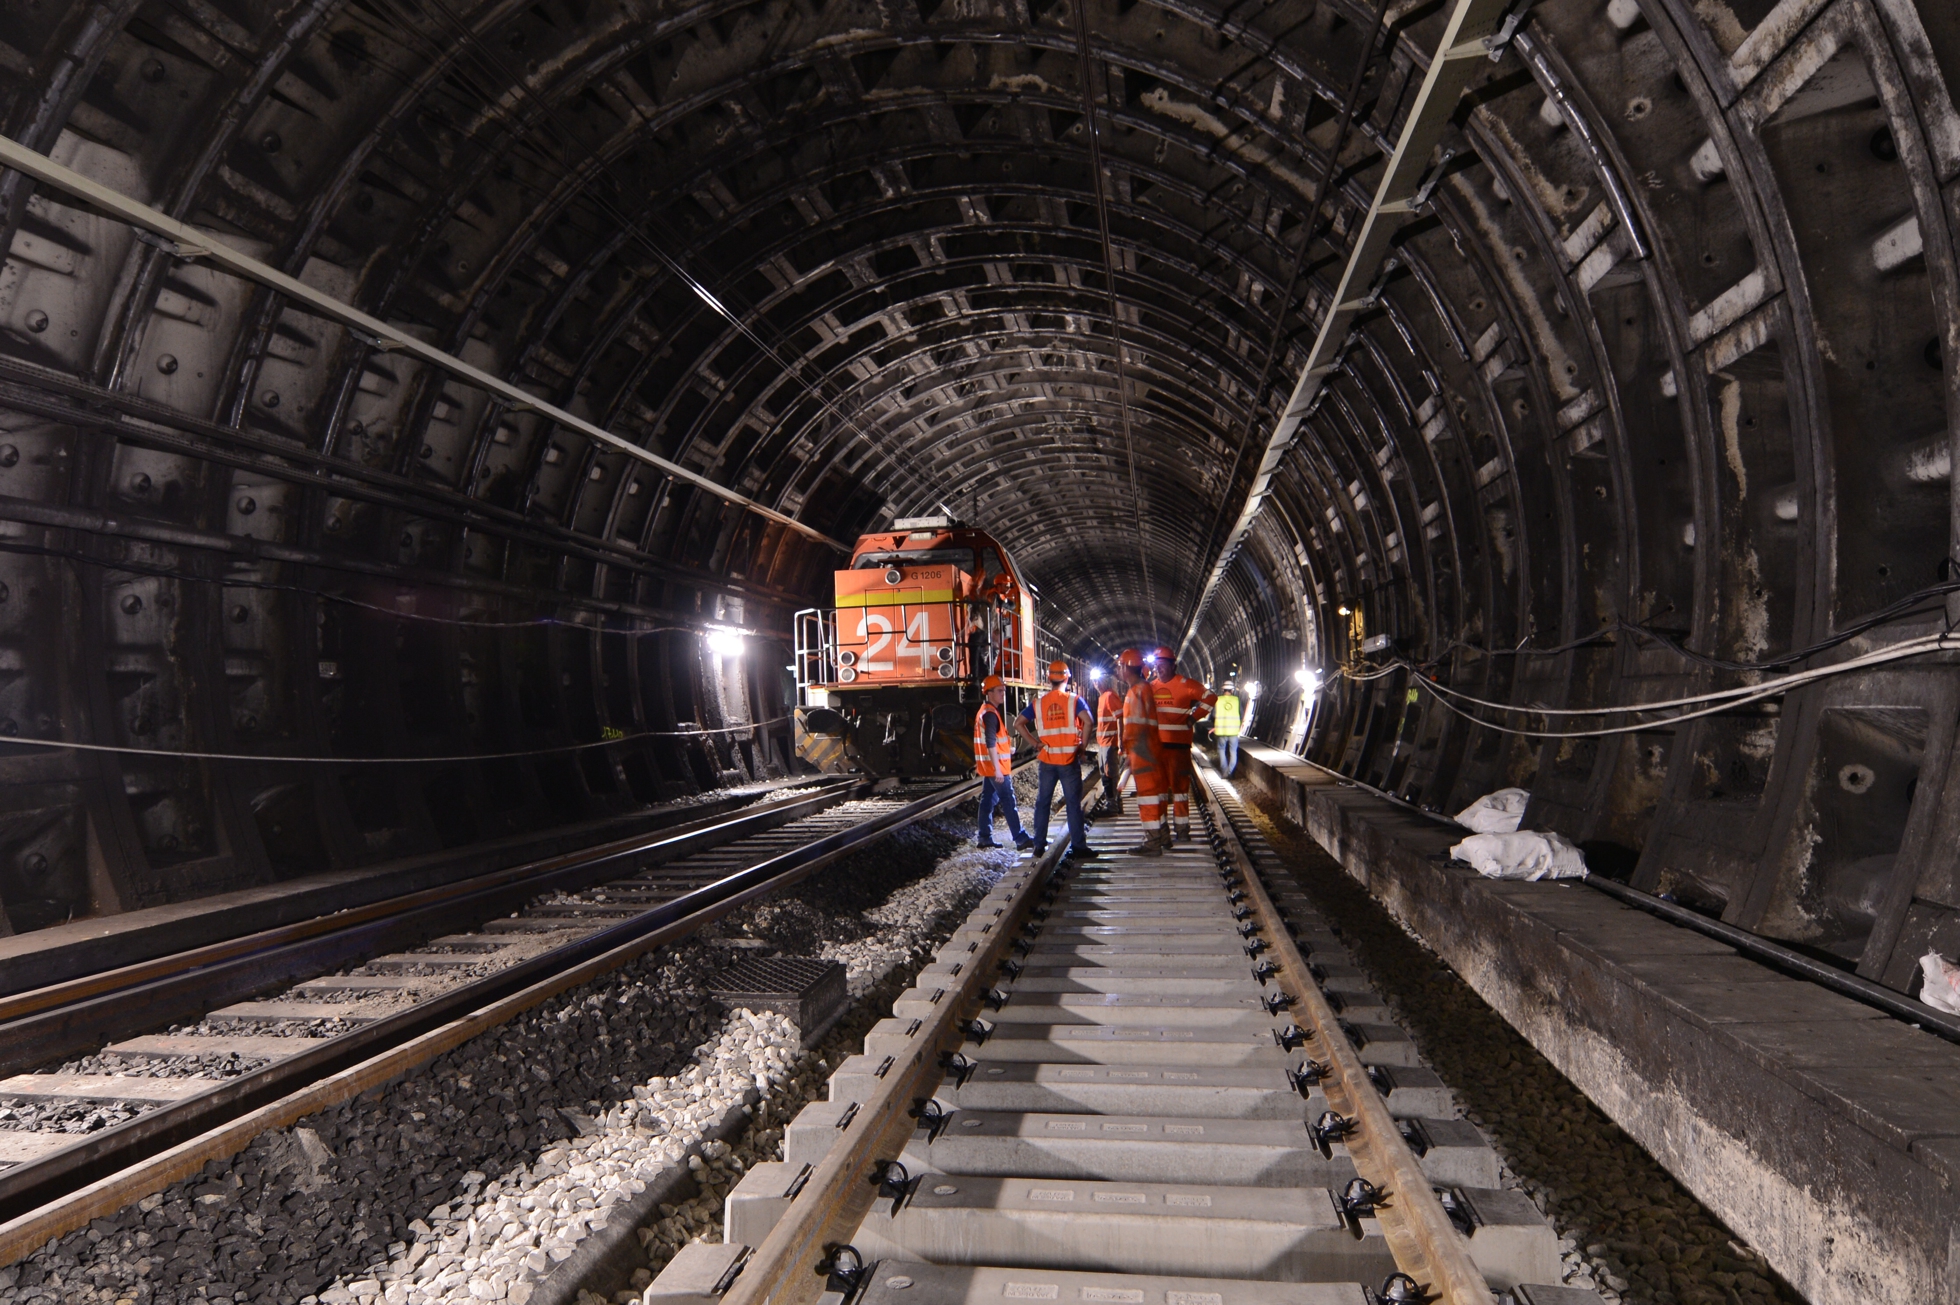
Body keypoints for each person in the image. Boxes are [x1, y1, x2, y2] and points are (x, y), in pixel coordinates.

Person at [1014, 660, 1097, 859]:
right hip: (1069, 760)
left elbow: (1018, 724)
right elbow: (1089, 722)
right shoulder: (1074, 700)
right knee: (1072, 804)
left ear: (1049, 678)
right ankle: (1078, 847)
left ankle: (1039, 845)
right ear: (1067, 677)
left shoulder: (1039, 703)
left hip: (1048, 761)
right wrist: (1082, 746)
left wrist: (1035, 743)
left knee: (1043, 802)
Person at [1148, 647, 1211, 844]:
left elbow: (1211, 698)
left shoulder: (1186, 685)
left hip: (1179, 748)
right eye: (1157, 666)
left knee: (1180, 791)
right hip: (1157, 749)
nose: (1159, 669)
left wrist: (1194, 717)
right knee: (1159, 792)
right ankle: (1162, 831)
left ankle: (1182, 831)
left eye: (1163, 665)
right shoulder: (1151, 687)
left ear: (1173, 665)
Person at [972, 675, 1034, 851]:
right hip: (996, 767)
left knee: (987, 800)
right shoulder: (990, 715)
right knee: (1008, 800)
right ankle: (1020, 838)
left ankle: (984, 837)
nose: (1003, 694)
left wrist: (1009, 750)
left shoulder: (985, 711)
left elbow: (995, 742)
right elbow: (990, 742)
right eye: (999, 691)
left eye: (1003, 691)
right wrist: (998, 770)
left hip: (991, 766)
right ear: (989, 693)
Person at [1117, 648, 1166, 856]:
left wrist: (1129, 752)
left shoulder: (1136, 691)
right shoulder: (1142, 688)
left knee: (1147, 796)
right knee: (1156, 794)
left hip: (1142, 750)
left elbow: (1135, 727)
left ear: (1127, 668)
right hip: (1148, 748)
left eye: (1120, 666)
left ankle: (1152, 843)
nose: (1118, 671)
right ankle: (1163, 836)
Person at [1094, 671, 1125, 816]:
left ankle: (1112, 807)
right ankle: (1115, 804)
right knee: (1106, 774)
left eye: (1099, 681)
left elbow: (1120, 717)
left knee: (1110, 774)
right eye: (1094, 681)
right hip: (1103, 743)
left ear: (1106, 681)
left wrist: (1120, 740)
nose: (1097, 684)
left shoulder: (1110, 696)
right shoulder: (1102, 697)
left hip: (1110, 743)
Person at [1212, 680, 1244, 776]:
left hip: (1221, 730)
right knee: (1233, 751)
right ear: (1232, 690)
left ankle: (1224, 771)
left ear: (1222, 690)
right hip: (1233, 731)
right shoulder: (1237, 700)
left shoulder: (1217, 700)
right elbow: (1241, 715)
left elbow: (1213, 714)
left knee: (1221, 750)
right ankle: (1229, 772)